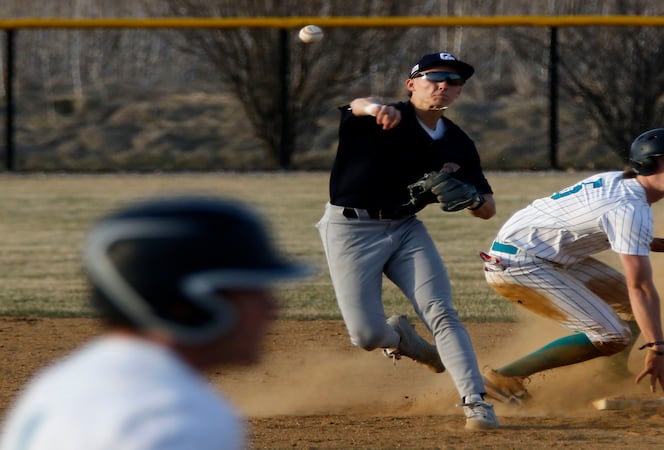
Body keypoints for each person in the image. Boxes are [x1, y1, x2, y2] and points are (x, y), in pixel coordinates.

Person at [0, 195, 313, 450]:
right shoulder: (174, 419)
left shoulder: (64, 381)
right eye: (251, 291)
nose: (272, 307)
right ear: (190, 302)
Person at [316, 52, 499, 430]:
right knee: (366, 336)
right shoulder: (378, 119)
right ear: (411, 84)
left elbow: (488, 209)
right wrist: (374, 107)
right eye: (434, 78)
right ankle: (404, 341)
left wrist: (473, 200)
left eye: (453, 80)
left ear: (460, 90)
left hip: (404, 229)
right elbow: (354, 105)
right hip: (350, 229)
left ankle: (475, 401)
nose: (443, 85)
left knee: (441, 311)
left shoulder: (458, 143)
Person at [479, 128, 664, 405]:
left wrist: (645, 240)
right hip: (520, 265)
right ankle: (503, 377)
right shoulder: (629, 207)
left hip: (543, 255)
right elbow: (641, 287)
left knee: (630, 309)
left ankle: (611, 375)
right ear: (645, 163)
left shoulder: (617, 181)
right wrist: (657, 349)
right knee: (612, 336)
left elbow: (581, 219)